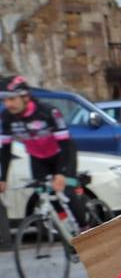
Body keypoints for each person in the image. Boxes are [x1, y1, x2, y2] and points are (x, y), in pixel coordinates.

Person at [0, 75, 89, 228]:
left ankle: (85, 228)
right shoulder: (7, 117)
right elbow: (6, 149)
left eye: (12, 99)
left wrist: (61, 173)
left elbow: (65, 144)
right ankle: (64, 227)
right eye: (4, 100)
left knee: (66, 192)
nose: (8, 104)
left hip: (61, 154)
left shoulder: (48, 112)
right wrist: (3, 179)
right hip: (37, 158)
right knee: (45, 194)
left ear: (25, 97)